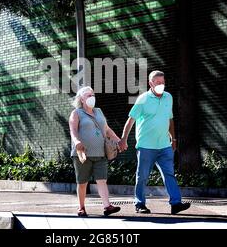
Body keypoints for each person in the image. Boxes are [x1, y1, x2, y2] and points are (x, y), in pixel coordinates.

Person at [119, 70, 191, 215]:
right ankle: (139, 204)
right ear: (150, 83)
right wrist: (123, 139)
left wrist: (173, 138)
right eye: (158, 83)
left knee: (169, 174)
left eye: (163, 82)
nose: (161, 85)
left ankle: (175, 204)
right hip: (146, 146)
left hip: (164, 145)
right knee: (142, 176)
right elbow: (131, 120)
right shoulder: (143, 99)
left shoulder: (168, 97)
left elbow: (170, 119)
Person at [69, 86, 122, 217]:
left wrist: (118, 140)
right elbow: (73, 130)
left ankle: (107, 206)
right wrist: (76, 142)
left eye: (92, 95)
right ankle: (81, 207)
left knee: (102, 180)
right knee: (82, 183)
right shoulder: (76, 113)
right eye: (88, 95)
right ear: (81, 99)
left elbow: (106, 128)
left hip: (100, 153)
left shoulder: (99, 111)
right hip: (83, 154)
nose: (92, 97)